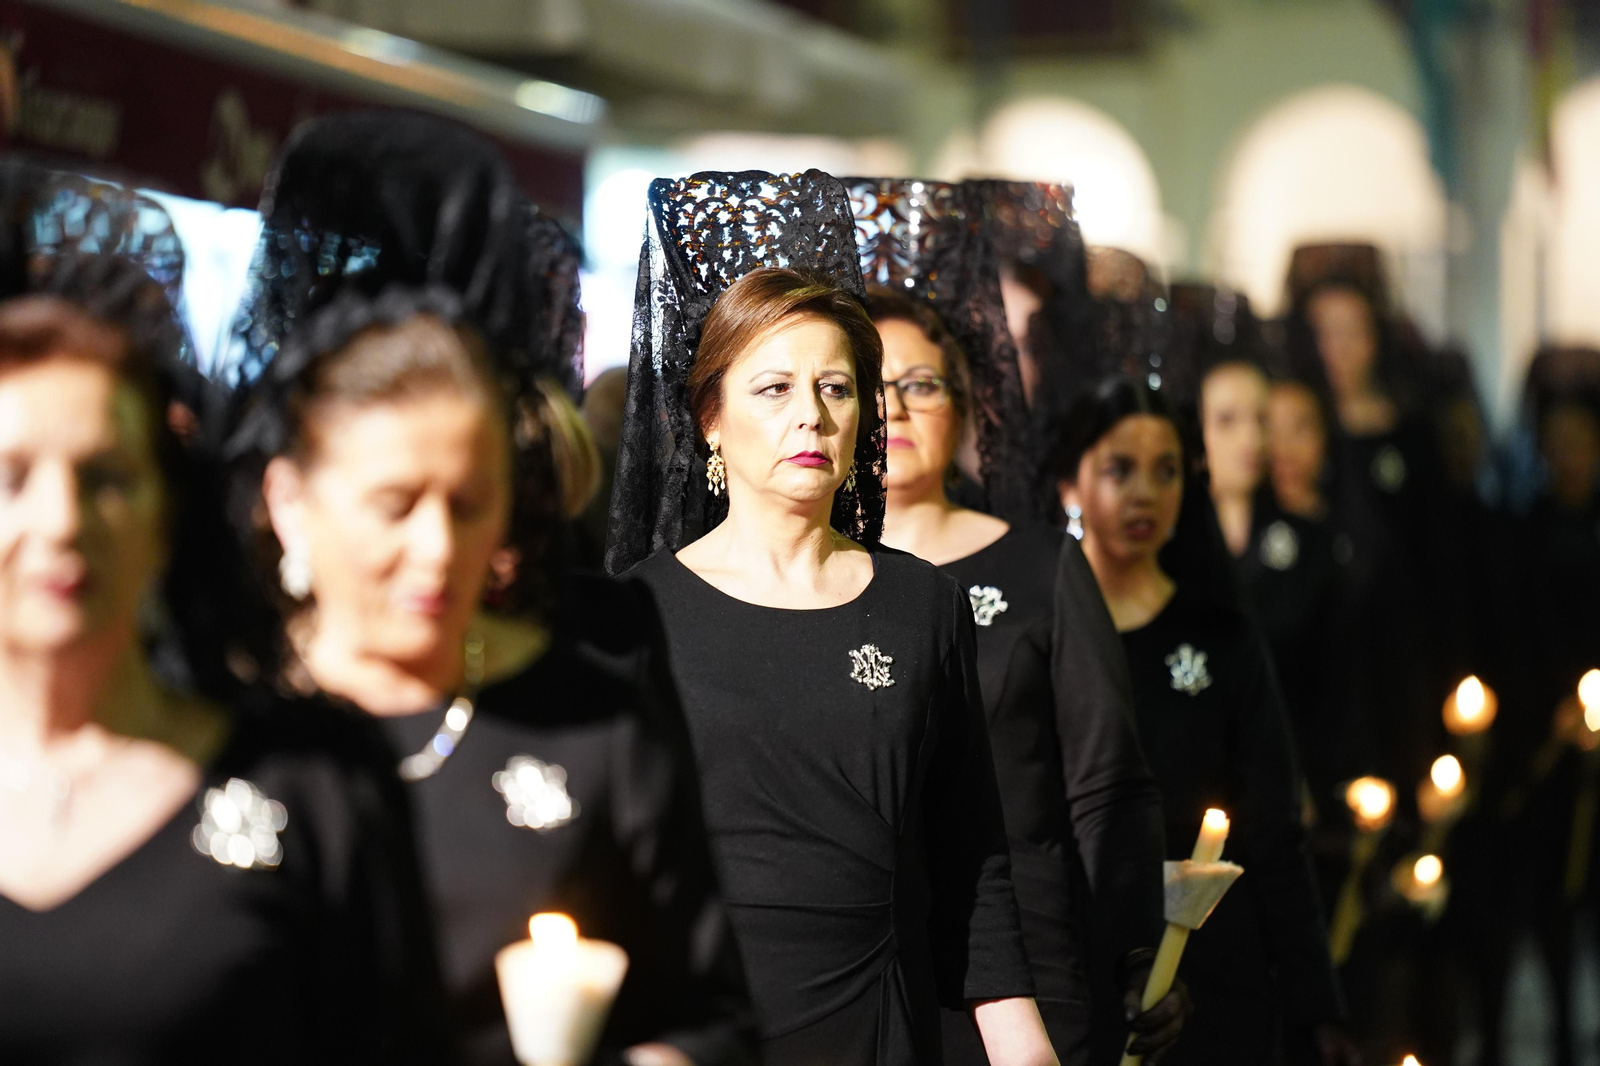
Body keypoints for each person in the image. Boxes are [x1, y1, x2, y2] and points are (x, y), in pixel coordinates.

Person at [225, 113, 755, 1066]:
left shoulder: (591, 726)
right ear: (290, 502)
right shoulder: (211, 720)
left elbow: (710, 1015)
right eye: (395, 505)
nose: (438, 549)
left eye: (469, 505)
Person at [609, 169, 1055, 1066]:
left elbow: (970, 853)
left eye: (837, 389)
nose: (810, 417)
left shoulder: (920, 603)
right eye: (773, 389)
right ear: (710, 418)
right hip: (705, 1027)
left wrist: (1024, 1045)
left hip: (880, 1019)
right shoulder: (640, 613)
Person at [0, 250, 455, 1065]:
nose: (63, 520)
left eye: (107, 478)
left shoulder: (312, 784)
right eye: (12, 479)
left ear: (165, 514)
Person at [846, 174, 1181, 1066]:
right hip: (865, 976)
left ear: (967, 407)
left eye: (922, 384)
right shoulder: (816, 577)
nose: (895, 408)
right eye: (870, 385)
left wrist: (1138, 948)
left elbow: (1107, 783)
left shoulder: (1040, 566)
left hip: (1030, 970)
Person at [1052, 375, 1355, 1066]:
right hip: (1076, 963)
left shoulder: (1222, 639)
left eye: (1166, 472)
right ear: (1070, 484)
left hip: (1216, 967)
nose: (1144, 493)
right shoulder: (1041, 634)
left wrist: (1319, 1004)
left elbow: (1275, 831)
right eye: (1119, 469)